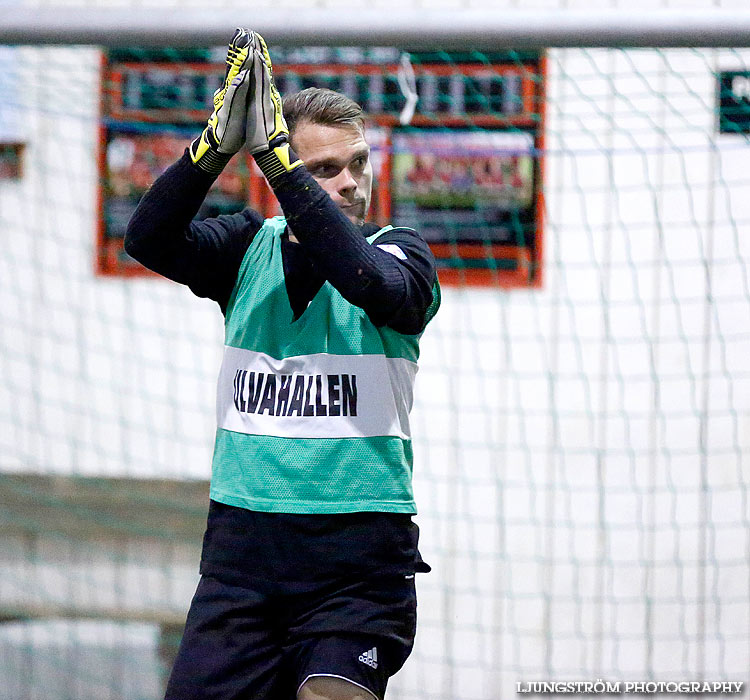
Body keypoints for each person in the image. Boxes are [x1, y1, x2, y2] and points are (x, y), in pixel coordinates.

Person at [125, 28, 439, 700]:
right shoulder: (245, 246)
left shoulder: (403, 254)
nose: (349, 181)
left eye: (357, 162)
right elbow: (147, 238)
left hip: (357, 561)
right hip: (243, 556)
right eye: (324, 169)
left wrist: (282, 164)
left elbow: (365, 280)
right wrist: (215, 149)